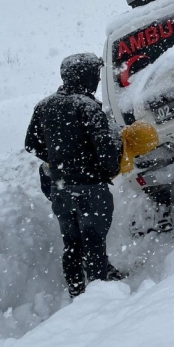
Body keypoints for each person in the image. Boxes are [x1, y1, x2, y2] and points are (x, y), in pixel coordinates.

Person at [25, 53, 125, 297]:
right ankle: (100, 296)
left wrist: (58, 161)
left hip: (60, 189)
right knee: (93, 243)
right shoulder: (88, 107)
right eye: (95, 76)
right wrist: (107, 168)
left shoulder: (44, 106)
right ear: (86, 77)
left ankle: (77, 291)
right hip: (90, 188)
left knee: (71, 243)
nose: (97, 82)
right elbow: (107, 150)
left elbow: (31, 143)